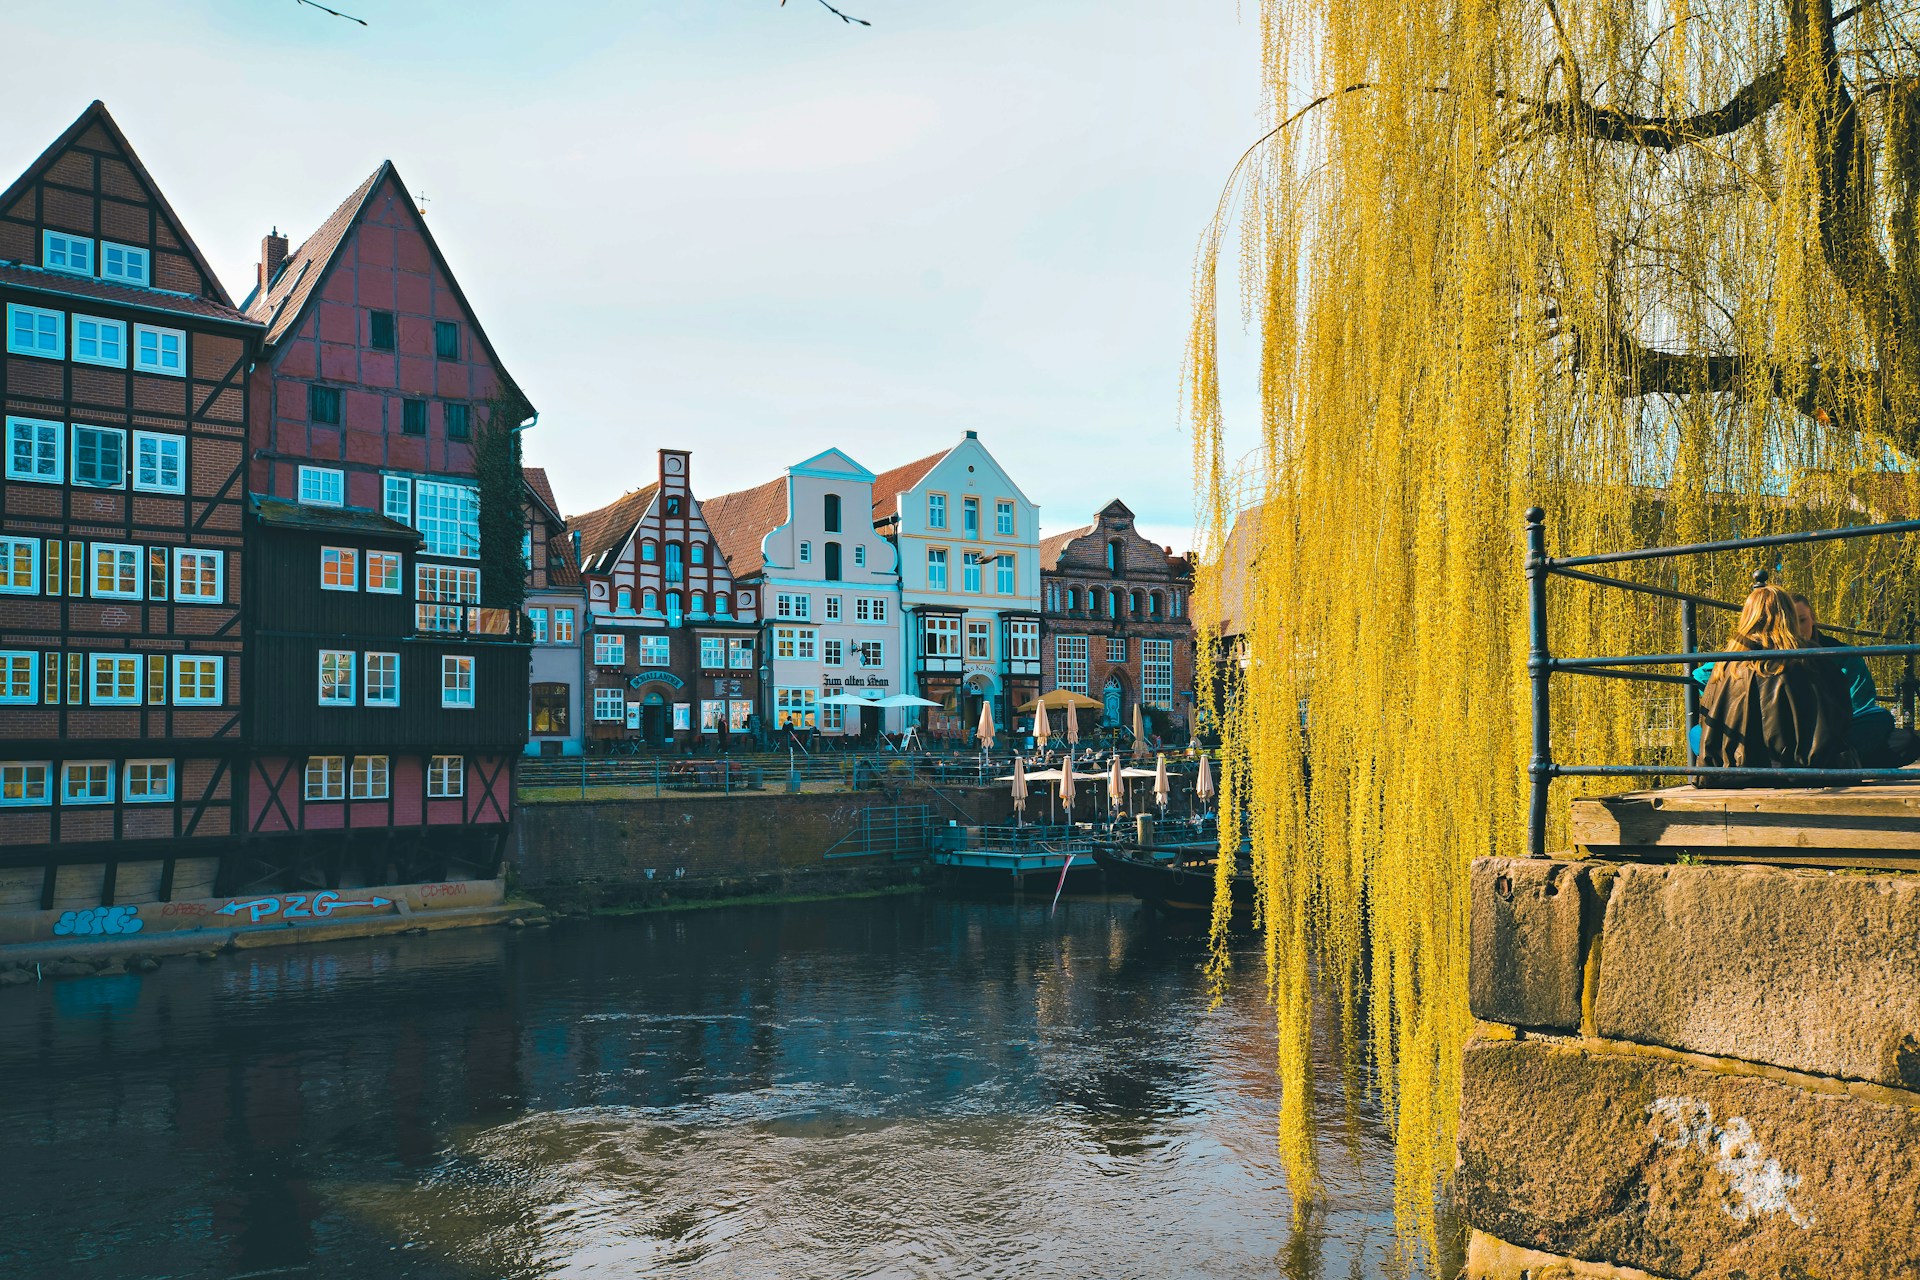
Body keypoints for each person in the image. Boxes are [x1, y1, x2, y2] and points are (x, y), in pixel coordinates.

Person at [1696, 584, 1856, 777]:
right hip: (1803, 769)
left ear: (1747, 616)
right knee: (1881, 723)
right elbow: (1840, 718)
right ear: (1789, 616)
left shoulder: (1724, 666)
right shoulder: (1813, 659)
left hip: (1734, 772)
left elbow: (1707, 724)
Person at [1790, 593, 1920, 768]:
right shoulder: (1774, 658)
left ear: (1813, 618)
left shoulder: (1843, 654)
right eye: (1791, 623)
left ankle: (1833, 762)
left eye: (1802, 620)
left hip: (1839, 732)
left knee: (1900, 735)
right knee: (1889, 731)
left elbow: (1862, 707)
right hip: (1798, 737)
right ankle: (1838, 763)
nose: (1797, 630)